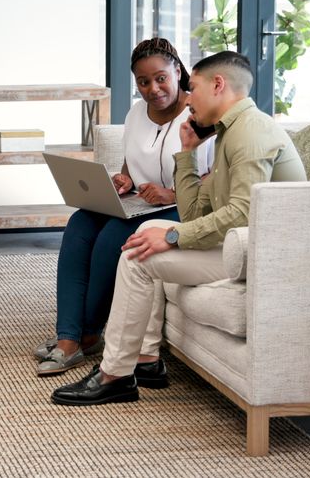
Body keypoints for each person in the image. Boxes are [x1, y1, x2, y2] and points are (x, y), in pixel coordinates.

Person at [50, 51, 307, 404]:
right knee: (144, 237)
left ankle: (115, 373)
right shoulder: (229, 132)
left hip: (262, 253)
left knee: (139, 256)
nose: (189, 97)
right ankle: (146, 359)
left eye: (194, 87)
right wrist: (186, 153)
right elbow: (194, 210)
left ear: (218, 85)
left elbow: (242, 214)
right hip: (240, 244)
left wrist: (172, 235)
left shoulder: (251, 133)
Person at [33, 38, 215, 376]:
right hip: (140, 204)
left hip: (182, 207)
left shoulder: (199, 113)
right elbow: (133, 161)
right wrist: (124, 180)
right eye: (143, 82)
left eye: (161, 78)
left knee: (112, 237)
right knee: (79, 225)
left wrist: (171, 193)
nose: (153, 89)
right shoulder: (135, 113)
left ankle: (85, 336)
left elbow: (215, 177)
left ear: (178, 71)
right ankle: (68, 336)